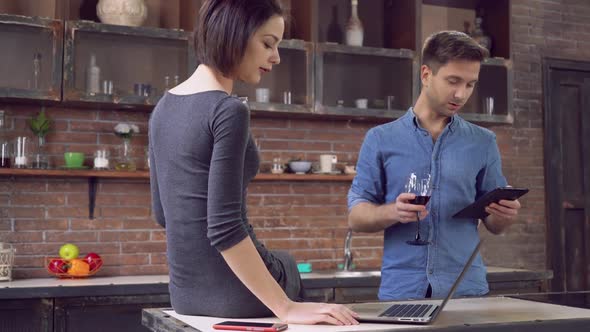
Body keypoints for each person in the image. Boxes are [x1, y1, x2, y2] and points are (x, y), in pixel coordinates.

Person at [149, 0, 358, 326]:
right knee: (288, 264)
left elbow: (164, 214)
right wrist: (286, 307)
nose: (275, 57)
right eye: (268, 44)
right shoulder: (228, 110)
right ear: (234, 35)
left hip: (184, 295)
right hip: (237, 296)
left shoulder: (162, 108)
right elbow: (225, 227)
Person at [347, 31, 522, 301]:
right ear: (426, 74)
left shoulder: (483, 142)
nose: (461, 94)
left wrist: (504, 214)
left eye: (470, 84)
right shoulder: (380, 139)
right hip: (403, 292)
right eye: (453, 81)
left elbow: (494, 225)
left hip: (466, 291)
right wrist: (394, 211)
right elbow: (356, 217)